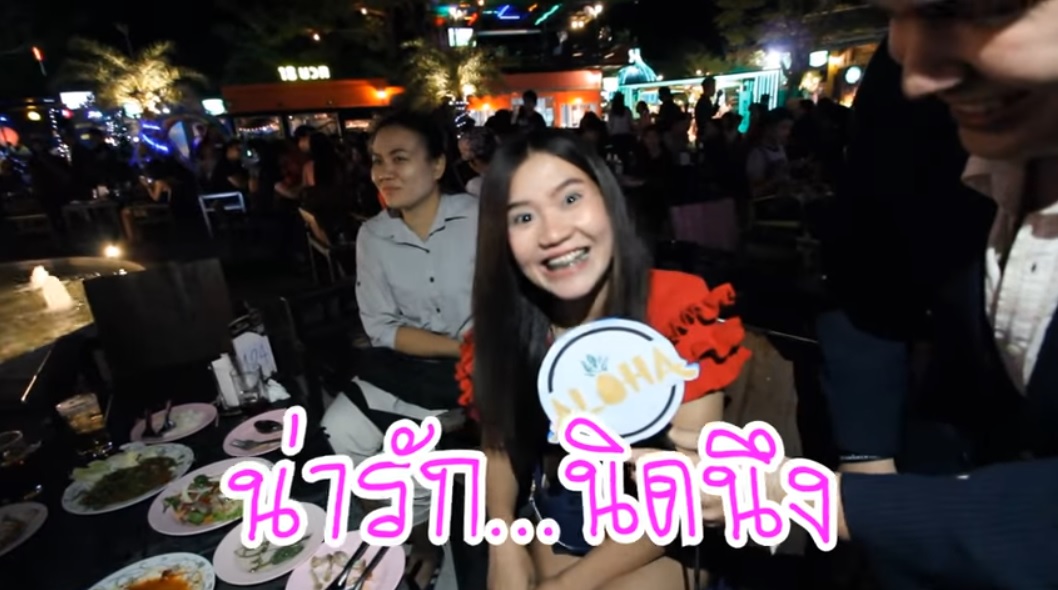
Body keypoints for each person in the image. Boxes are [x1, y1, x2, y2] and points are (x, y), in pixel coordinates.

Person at [678, 4, 1058, 587]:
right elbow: (869, 258)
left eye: (970, 11)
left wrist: (828, 500)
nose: (918, 74)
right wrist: (866, 455)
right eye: (898, 17)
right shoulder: (917, 105)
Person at [455, 129, 751, 590]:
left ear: (609, 201)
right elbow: (499, 444)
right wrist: (503, 537)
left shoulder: (678, 312)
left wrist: (562, 587)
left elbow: (682, 498)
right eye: (524, 217)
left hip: (668, 531)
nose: (554, 233)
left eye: (570, 199)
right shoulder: (504, 330)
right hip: (564, 516)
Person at [319, 110, 476, 590]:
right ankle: (401, 537)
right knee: (337, 431)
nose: (383, 172)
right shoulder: (374, 235)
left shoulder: (480, 220)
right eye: (376, 160)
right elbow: (381, 326)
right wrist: (456, 347)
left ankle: (428, 546)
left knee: (409, 455)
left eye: (400, 158)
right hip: (410, 366)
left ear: (437, 165)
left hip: (479, 371)